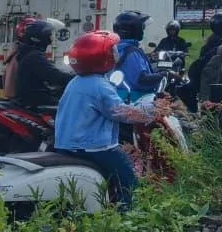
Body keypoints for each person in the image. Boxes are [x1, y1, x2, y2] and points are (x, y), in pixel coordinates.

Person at [55, 30, 154, 210]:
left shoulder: (76, 81)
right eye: (113, 51)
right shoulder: (99, 86)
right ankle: (128, 213)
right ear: (102, 57)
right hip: (94, 146)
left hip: (68, 143)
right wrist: (150, 111)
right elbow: (121, 113)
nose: (116, 54)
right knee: (128, 178)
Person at [11, 19, 74, 108]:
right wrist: (76, 77)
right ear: (40, 37)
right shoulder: (35, 56)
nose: (51, 37)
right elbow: (54, 76)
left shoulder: (28, 53)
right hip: (36, 102)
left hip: (32, 99)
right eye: (48, 34)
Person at [112, 11, 166, 101]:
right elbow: (141, 80)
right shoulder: (132, 52)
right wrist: (163, 74)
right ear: (134, 30)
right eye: (142, 28)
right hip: (137, 100)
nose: (143, 31)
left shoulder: (118, 48)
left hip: (120, 96)